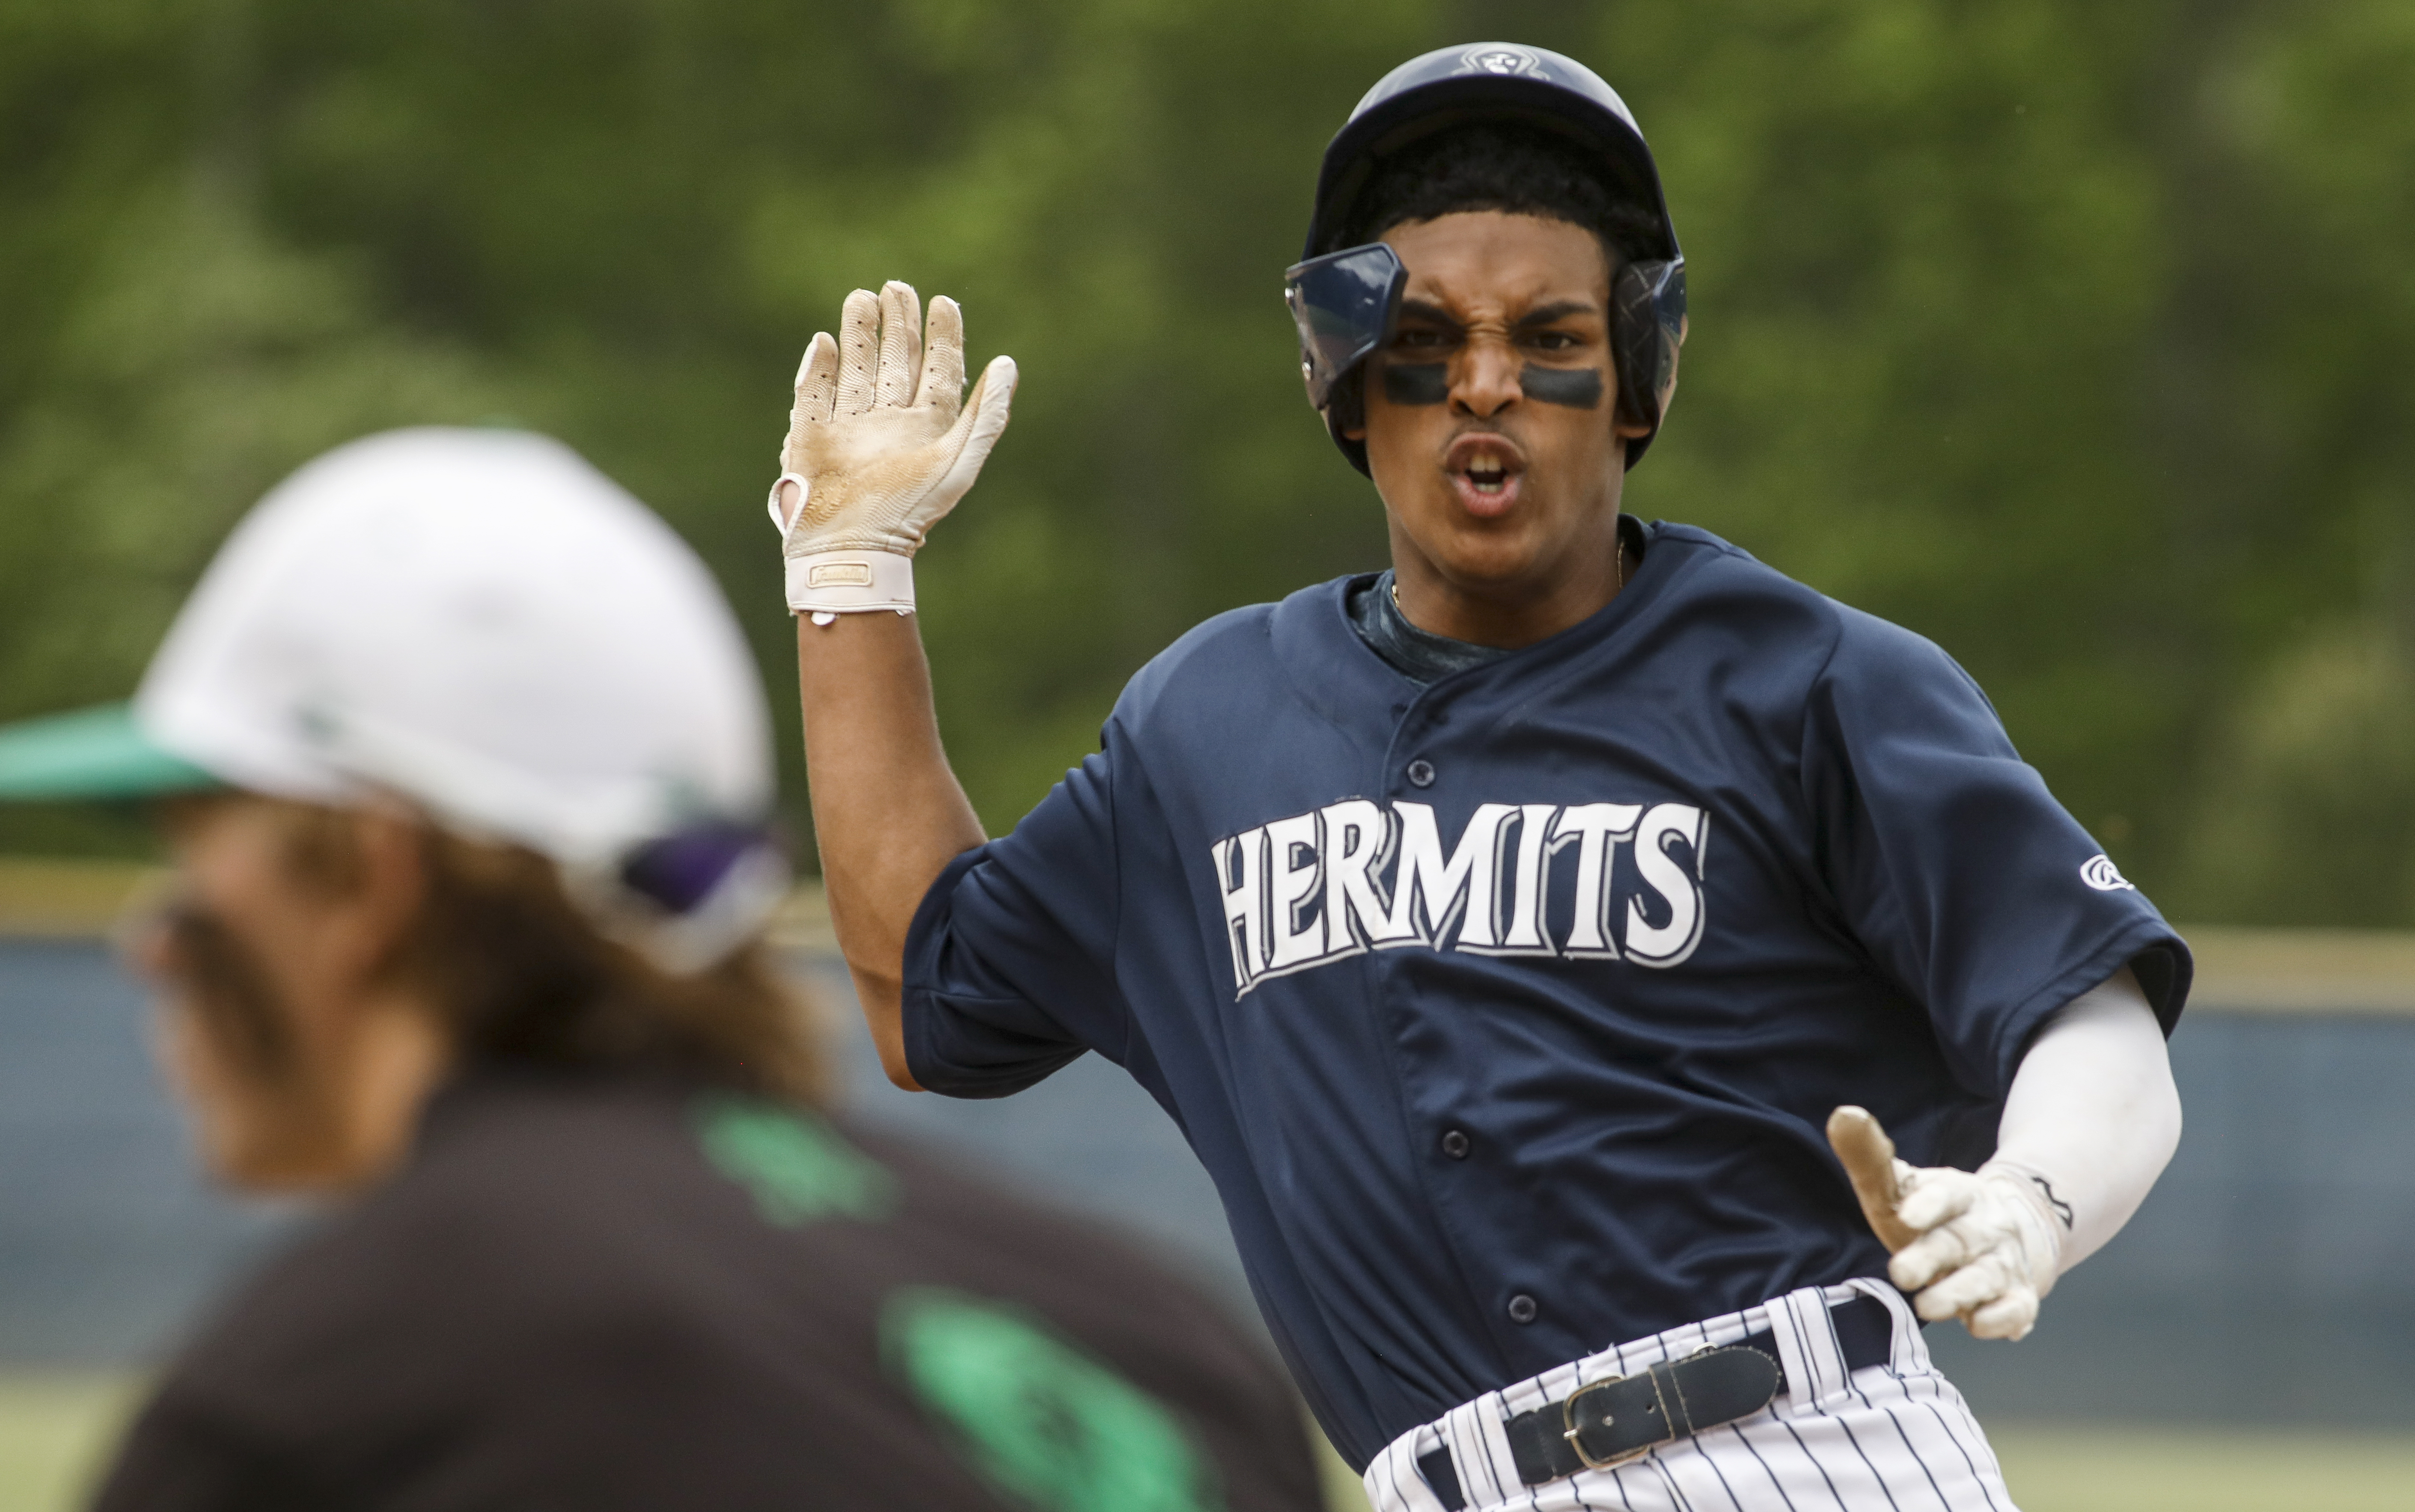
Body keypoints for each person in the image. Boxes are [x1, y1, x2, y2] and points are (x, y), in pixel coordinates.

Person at [769, 42, 2191, 1512]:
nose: (1487, 384)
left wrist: (2030, 1201)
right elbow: (920, 989)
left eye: (1552, 335)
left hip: (1792, 1452)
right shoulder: (1204, 727)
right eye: (1428, 338)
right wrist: (849, 573)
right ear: (1344, 382)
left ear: (1635, 379)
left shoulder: (1808, 680)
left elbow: (2089, 1006)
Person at [0, 428, 1326, 1512]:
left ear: (369, 876)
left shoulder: (354, 1374)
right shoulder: (1158, 1340)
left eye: (197, 854)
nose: (155, 938)